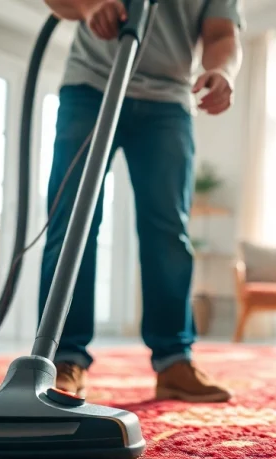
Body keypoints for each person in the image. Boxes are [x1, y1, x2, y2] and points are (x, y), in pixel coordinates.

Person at [40, 0, 242, 402]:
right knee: (73, 221)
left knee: (168, 230)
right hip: (92, 85)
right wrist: (88, 6)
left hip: (169, 101)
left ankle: (173, 361)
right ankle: (62, 357)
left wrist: (222, 70)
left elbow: (221, 32)